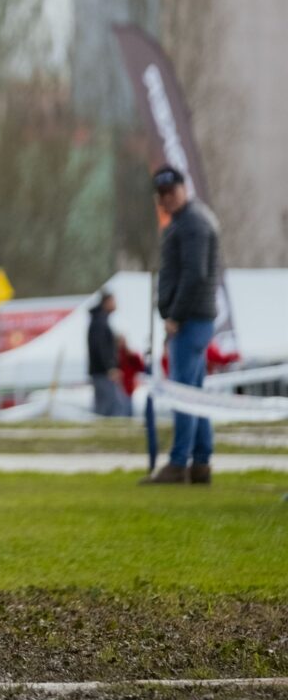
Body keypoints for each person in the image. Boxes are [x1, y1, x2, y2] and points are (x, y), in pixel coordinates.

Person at [142, 165, 221, 485]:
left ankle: (178, 463)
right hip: (194, 319)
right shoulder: (188, 221)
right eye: (161, 195)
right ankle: (200, 462)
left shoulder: (192, 224)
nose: (166, 199)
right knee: (195, 393)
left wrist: (175, 315)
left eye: (170, 192)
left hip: (190, 321)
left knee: (183, 394)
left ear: (182, 189)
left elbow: (194, 274)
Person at [87, 291, 130, 418]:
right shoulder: (100, 322)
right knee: (109, 406)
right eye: (113, 301)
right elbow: (101, 347)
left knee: (104, 405)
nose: (115, 304)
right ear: (106, 302)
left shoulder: (99, 320)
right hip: (102, 372)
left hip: (100, 370)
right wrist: (110, 367)